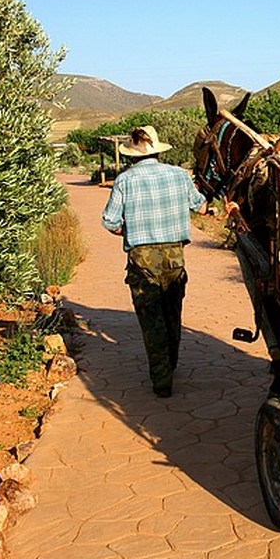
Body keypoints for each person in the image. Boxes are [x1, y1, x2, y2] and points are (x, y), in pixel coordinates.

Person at [101, 126, 207, 397]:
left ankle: (162, 380)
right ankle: (170, 363)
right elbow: (201, 206)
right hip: (174, 255)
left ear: (132, 154)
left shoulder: (125, 180)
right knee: (173, 312)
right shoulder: (179, 175)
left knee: (151, 318)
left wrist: (131, 229)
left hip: (141, 257)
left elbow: (109, 221)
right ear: (158, 151)